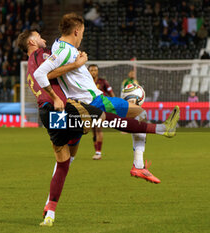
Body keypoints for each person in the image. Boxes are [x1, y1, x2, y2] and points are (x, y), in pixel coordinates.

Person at [19, 29, 179, 227]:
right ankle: (159, 133)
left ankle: (49, 210)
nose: (44, 39)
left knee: (65, 161)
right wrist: (76, 64)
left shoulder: (28, 69)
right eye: (39, 36)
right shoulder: (41, 54)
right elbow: (47, 71)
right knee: (112, 118)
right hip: (66, 107)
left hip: (48, 115)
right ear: (33, 41)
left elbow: (43, 76)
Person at [34, 13, 179, 190]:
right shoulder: (66, 51)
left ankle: (50, 206)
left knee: (67, 159)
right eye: (83, 33)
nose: (82, 37)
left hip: (77, 107)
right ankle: (140, 163)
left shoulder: (58, 44)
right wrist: (76, 65)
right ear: (77, 31)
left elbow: (51, 71)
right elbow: (43, 74)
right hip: (93, 101)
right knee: (141, 113)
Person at [88, 64, 115, 160]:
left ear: (97, 71)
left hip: (101, 108)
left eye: (95, 70)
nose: (93, 72)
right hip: (90, 108)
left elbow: (111, 94)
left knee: (98, 128)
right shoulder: (86, 82)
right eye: (91, 70)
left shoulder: (103, 82)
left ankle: (98, 152)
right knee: (94, 131)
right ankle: (96, 151)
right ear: (88, 71)